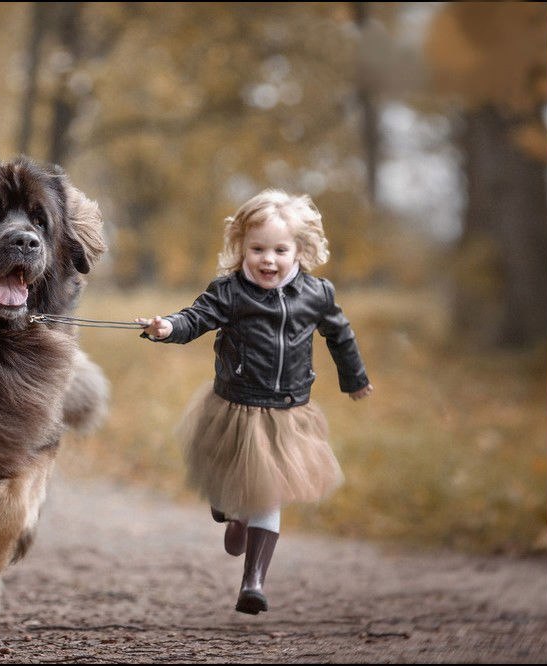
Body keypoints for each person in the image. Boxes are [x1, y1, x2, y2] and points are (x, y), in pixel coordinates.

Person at [136, 189, 373, 616]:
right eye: (257, 249)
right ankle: (232, 512)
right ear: (241, 247)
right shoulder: (230, 292)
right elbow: (197, 317)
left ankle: (254, 583)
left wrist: (354, 378)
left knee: (269, 494)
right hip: (237, 406)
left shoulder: (317, 293)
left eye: (280, 250)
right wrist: (168, 327)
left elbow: (340, 335)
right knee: (235, 483)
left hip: (289, 411)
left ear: (300, 249)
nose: (268, 260)